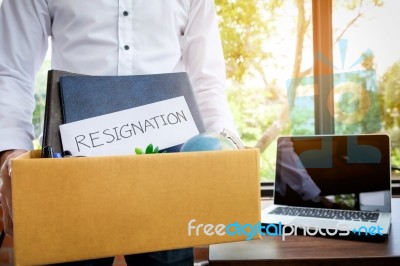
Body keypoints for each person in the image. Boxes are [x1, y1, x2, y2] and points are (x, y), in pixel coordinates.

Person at [0, 0, 239, 265]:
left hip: (166, 168)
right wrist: (12, 153)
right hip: (72, 166)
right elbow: (12, 71)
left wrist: (226, 144)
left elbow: (206, 80)